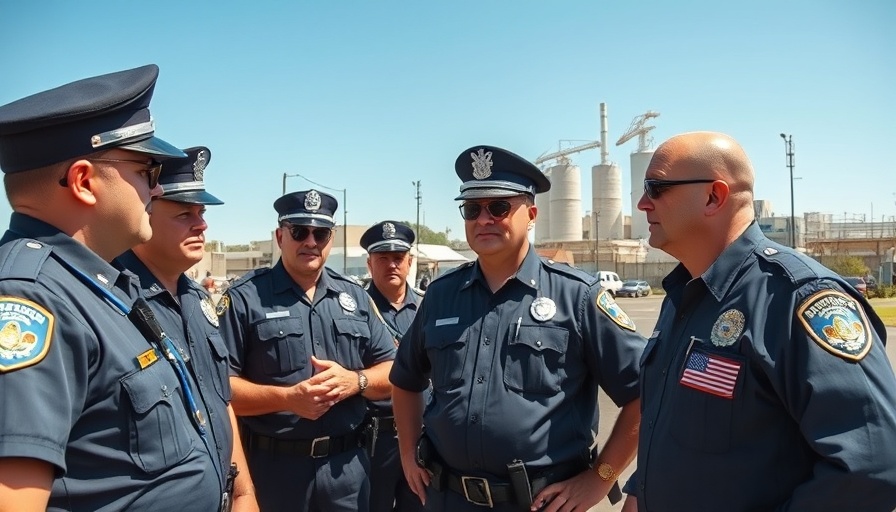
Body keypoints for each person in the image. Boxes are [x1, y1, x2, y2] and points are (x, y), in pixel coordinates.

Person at [622, 132, 896, 512]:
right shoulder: (685, 293)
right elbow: (671, 426)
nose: (642, 203)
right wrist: (640, 490)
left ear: (714, 197)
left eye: (656, 188)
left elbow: (872, 467)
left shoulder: (798, 297)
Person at [0, 65, 225, 511]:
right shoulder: (31, 297)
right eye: (147, 169)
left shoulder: (95, 285)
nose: (157, 188)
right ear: (84, 181)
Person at [389, 145, 645, 512]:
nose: (484, 219)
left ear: (533, 213)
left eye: (499, 207)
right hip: (448, 499)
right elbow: (405, 381)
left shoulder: (578, 296)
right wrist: (408, 453)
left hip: (538, 503)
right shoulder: (441, 295)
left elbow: (645, 391)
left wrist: (599, 478)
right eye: (473, 209)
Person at [218, 189, 397, 512]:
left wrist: (355, 382)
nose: (311, 242)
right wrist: (287, 399)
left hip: (347, 471)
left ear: (331, 238)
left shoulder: (355, 297)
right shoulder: (244, 299)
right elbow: (220, 390)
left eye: (321, 233)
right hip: (275, 472)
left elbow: (394, 371)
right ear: (279, 236)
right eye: (299, 232)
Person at [116, 146, 258, 511]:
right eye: (184, 213)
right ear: (146, 211)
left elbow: (219, 401)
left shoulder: (197, 300)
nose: (201, 224)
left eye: (202, 212)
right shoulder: (113, 299)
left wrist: (244, 492)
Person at [359, 220, 425, 512]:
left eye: (398, 258)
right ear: (369, 264)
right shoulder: (354, 310)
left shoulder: (428, 308)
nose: (391, 265)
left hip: (423, 436)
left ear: (409, 262)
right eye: (382, 258)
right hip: (375, 439)